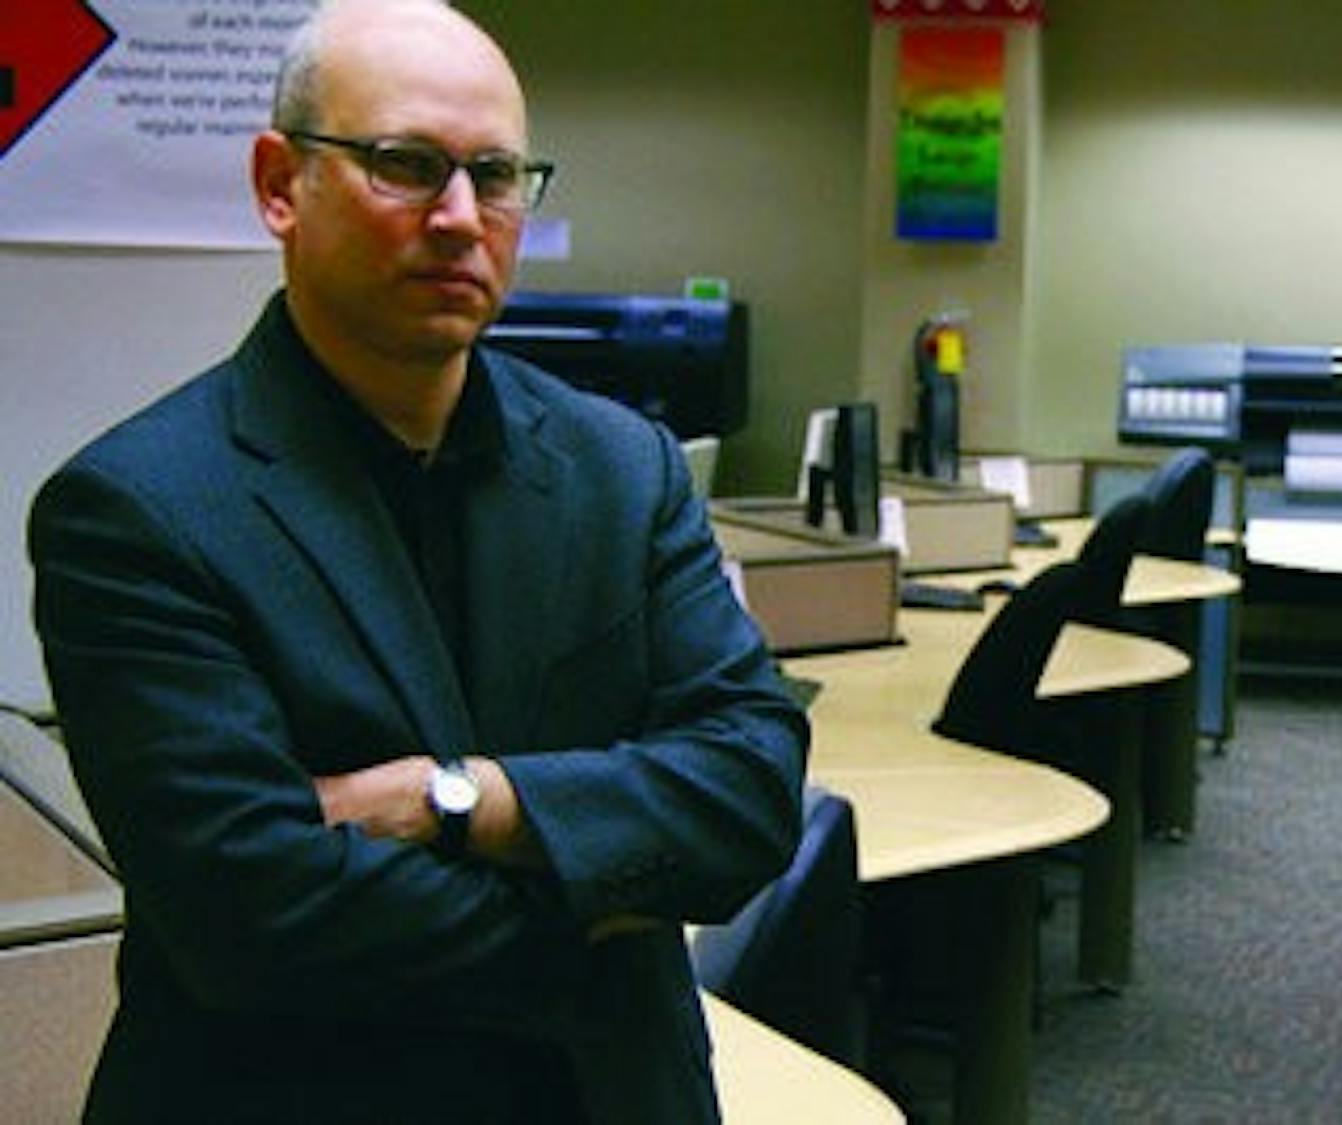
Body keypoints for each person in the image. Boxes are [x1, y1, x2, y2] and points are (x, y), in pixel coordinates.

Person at [27, 1, 808, 1121]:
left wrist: (451, 800)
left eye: (494, 175)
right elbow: (252, 920)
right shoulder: (138, 510)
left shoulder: (621, 469)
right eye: (406, 165)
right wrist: (606, 894)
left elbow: (749, 794)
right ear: (278, 185)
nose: (458, 216)